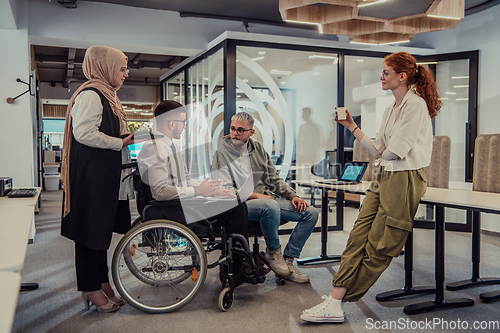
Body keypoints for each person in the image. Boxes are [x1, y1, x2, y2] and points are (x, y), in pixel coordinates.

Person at [300, 51, 441, 323]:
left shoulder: (415, 106)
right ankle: (335, 298)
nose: (381, 76)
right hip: (384, 176)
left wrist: (384, 150)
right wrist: (351, 125)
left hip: (405, 178)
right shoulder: (391, 109)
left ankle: (339, 298)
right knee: (358, 236)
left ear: (402, 76)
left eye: (386, 72)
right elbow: (379, 149)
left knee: (381, 244)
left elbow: (393, 152)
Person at [136, 100, 251, 283]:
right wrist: (198, 190)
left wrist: (211, 191)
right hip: (173, 210)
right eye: (183, 122)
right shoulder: (155, 148)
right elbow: (159, 192)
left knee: (233, 204)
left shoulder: (168, 146)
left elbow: (186, 179)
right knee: (237, 208)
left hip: (180, 205)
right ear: (171, 123)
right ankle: (238, 268)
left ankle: (236, 264)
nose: (185, 126)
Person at [60, 45, 137, 313]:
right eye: (121, 68)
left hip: (102, 175)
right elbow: (84, 133)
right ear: (105, 68)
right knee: (88, 233)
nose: (125, 73)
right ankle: (90, 288)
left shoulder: (107, 95)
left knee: (100, 232)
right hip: (90, 177)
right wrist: (121, 142)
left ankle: (101, 281)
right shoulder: (91, 95)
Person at [211, 112, 318, 283]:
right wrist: (254, 195)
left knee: (310, 212)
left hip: (267, 202)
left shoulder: (258, 150)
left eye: (240, 130)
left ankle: (288, 261)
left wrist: (293, 195)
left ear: (251, 132)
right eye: (232, 129)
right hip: (240, 206)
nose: (235, 133)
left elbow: (274, 179)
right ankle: (273, 252)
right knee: (271, 206)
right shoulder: (222, 154)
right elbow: (224, 189)